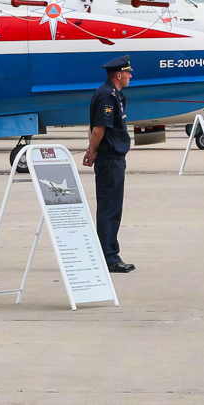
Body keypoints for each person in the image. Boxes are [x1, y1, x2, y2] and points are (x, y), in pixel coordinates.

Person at [84, 53, 136, 274]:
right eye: (128, 73)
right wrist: (91, 151)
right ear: (118, 74)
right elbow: (98, 129)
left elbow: (95, 127)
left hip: (113, 158)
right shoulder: (107, 96)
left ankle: (107, 253)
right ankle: (109, 258)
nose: (130, 76)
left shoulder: (112, 94)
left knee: (111, 208)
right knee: (110, 209)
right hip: (110, 159)